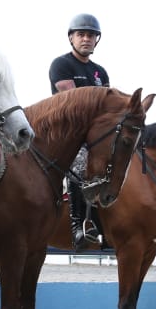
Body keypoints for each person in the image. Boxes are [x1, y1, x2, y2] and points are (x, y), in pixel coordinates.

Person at [49, 13, 110, 247]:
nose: (86, 39)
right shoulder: (61, 64)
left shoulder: (100, 72)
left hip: (94, 136)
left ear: (97, 40)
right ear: (71, 38)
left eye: (91, 35)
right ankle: (78, 225)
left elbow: (106, 107)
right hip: (68, 135)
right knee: (80, 161)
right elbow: (73, 103)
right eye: (81, 34)